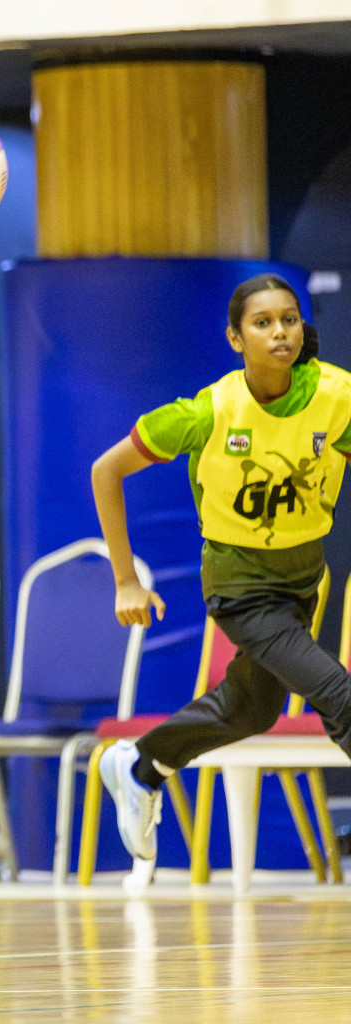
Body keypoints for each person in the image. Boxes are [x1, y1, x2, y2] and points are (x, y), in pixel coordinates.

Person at [94, 273, 351, 862]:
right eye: (262, 323)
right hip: (241, 589)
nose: (279, 332)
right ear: (236, 338)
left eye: (288, 319)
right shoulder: (207, 412)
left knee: (252, 709)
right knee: (338, 693)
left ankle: (142, 763)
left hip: (300, 583)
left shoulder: (335, 398)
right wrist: (125, 579)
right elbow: (105, 472)